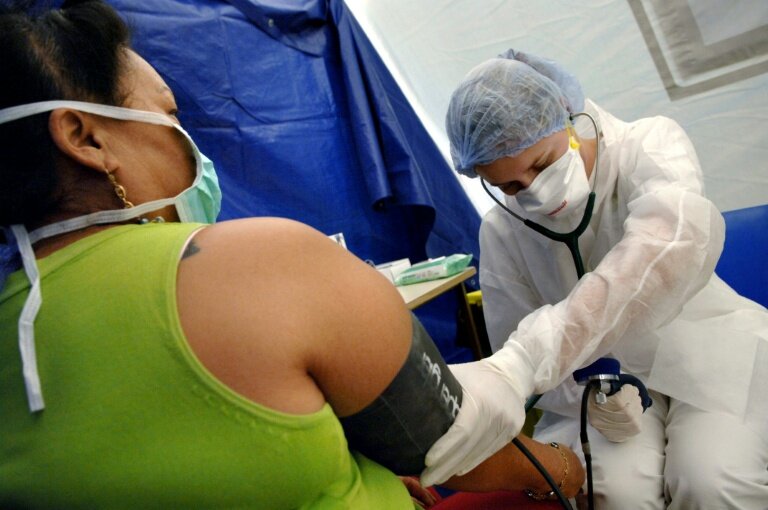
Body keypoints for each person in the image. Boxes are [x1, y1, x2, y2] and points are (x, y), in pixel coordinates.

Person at [0, 2, 585, 508]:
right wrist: (568, 470)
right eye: (170, 114)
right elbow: (454, 441)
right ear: (84, 137)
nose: (186, 141)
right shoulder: (266, 260)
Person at [431, 49, 768, 508]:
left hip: (705, 354)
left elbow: (666, 249)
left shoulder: (648, 145)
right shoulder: (501, 231)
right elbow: (513, 335)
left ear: (567, 117)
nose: (533, 191)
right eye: (510, 186)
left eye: (541, 164)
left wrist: (529, 357)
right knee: (619, 494)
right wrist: (585, 392)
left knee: (711, 480)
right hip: (605, 388)